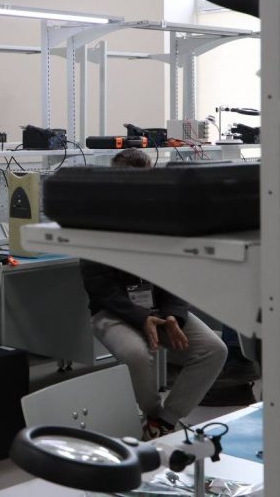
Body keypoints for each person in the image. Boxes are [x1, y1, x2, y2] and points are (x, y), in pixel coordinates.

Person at [81, 147, 227, 439]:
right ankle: (152, 414)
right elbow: (101, 287)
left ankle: (165, 420)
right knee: (136, 354)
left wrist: (173, 316)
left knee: (214, 350)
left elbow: (176, 276)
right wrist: (142, 318)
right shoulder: (94, 222)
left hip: (160, 311)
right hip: (114, 313)